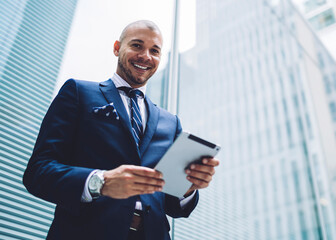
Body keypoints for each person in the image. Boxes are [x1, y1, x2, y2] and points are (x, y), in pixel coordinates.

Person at [23, 20, 219, 240]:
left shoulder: (171, 122)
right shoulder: (78, 92)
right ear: (117, 47)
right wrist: (101, 182)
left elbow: (174, 206)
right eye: (137, 45)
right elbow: (38, 172)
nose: (146, 56)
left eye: (154, 51)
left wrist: (187, 188)